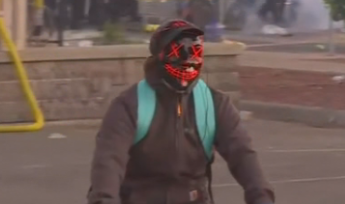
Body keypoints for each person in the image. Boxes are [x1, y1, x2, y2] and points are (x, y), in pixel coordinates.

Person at [87, 20, 275, 204]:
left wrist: (262, 197)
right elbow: (109, 162)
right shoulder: (129, 105)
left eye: (194, 51)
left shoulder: (214, 104)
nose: (187, 58)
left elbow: (242, 154)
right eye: (179, 50)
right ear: (160, 54)